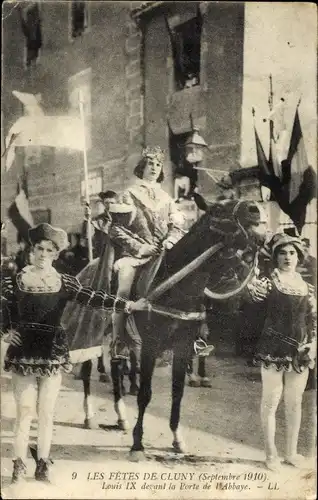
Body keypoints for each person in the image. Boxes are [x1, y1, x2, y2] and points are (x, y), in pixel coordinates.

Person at [0, 223, 147, 484]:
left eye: (49, 250)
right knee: (24, 412)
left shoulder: (64, 281)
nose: (43, 254)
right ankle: (18, 463)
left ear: (56, 255)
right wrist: (5, 332)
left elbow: (94, 297)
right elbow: (3, 309)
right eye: (39, 249)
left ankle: (43, 463)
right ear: (32, 250)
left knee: (46, 412)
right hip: (23, 353)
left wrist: (127, 304)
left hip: (52, 353)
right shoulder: (15, 281)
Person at [109, 146, 184, 363]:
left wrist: (170, 240)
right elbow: (115, 229)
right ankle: (119, 340)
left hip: (163, 253)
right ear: (142, 167)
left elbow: (177, 226)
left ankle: (189, 337)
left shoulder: (167, 198)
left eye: (158, 164)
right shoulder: (128, 195)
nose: (154, 168)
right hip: (136, 255)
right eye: (150, 163)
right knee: (123, 286)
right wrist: (141, 248)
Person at [248, 233, 316, 471]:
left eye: (292, 253)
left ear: (299, 257)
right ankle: (271, 454)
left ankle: (291, 453)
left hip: (300, 350)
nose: (288, 257)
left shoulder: (307, 287)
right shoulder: (267, 281)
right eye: (282, 253)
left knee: (295, 403)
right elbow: (252, 302)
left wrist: (313, 344)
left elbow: (313, 319)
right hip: (273, 348)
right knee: (271, 402)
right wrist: (252, 287)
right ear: (275, 257)